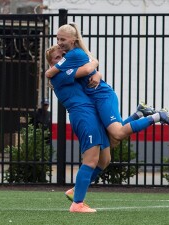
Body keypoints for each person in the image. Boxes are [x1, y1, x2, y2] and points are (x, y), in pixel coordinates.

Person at [45, 23, 169, 148]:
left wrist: (95, 70)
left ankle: (158, 116)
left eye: (62, 39)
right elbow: (89, 66)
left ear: (73, 40)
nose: (59, 43)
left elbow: (52, 72)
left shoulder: (70, 57)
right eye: (58, 39)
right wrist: (96, 70)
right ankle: (139, 113)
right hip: (97, 98)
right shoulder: (71, 57)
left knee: (117, 133)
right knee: (113, 139)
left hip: (102, 96)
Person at [45, 44, 111, 213]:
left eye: (63, 56)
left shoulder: (69, 70)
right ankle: (77, 203)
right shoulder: (59, 75)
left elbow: (91, 74)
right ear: (52, 64)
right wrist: (95, 63)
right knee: (91, 160)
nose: (62, 60)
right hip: (83, 115)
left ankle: (75, 190)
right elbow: (88, 68)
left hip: (91, 113)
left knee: (105, 160)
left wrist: (98, 74)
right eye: (57, 58)